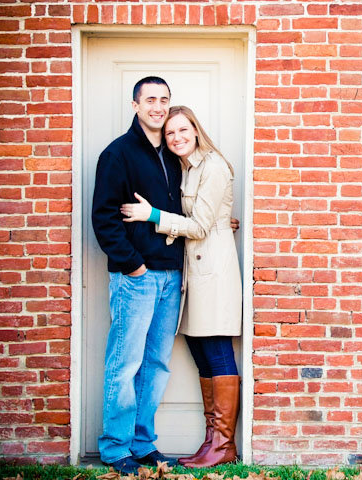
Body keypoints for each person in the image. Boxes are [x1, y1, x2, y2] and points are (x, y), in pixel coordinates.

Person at [120, 105, 242, 468]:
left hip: (213, 273)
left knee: (216, 348)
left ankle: (222, 445)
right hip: (194, 272)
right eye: (170, 133)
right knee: (200, 350)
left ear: (195, 129)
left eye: (183, 130)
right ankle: (213, 442)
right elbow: (204, 217)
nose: (176, 138)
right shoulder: (186, 168)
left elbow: (201, 226)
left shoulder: (214, 165)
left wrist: (152, 215)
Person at [91, 76, 182, 473]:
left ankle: (143, 444)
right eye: (150, 100)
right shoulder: (119, 154)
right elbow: (104, 218)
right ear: (135, 105)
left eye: (164, 100)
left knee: (156, 365)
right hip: (136, 277)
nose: (158, 107)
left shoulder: (175, 155)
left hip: (170, 277)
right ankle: (115, 449)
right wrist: (133, 265)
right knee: (124, 364)